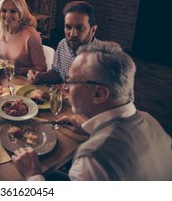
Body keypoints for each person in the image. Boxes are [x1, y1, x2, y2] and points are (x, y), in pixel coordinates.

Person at [12, 41, 172, 181]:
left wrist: (33, 174)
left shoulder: (91, 160)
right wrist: (89, 130)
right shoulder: (149, 119)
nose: (65, 87)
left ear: (99, 94)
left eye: (71, 81)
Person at [28, 1, 97, 84]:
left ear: (93, 30)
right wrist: (40, 77)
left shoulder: (103, 58)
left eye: (80, 28)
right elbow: (57, 73)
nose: (72, 34)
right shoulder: (63, 44)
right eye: (68, 27)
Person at [0, 0, 47, 75]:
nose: (7, 15)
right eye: (4, 10)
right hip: (9, 77)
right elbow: (6, 57)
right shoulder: (4, 30)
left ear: (21, 12)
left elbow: (42, 69)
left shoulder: (32, 35)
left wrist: (18, 70)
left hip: (25, 82)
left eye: (13, 11)